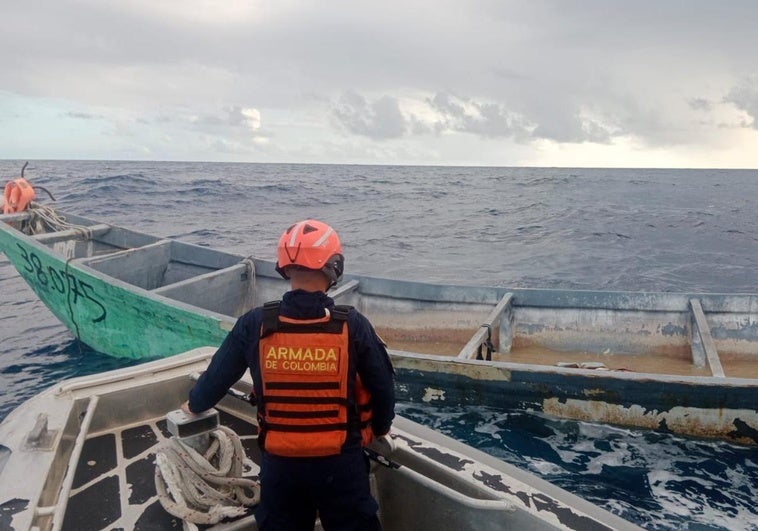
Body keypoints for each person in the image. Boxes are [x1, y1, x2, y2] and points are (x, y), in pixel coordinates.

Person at [182, 219, 395, 531]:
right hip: (341, 463)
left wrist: (194, 404)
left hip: (280, 466)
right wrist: (380, 428)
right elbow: (382, 388)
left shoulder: (254, 323)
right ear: (334, 266)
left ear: (284, 266)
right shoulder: (354, 325)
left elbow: (216, 378)